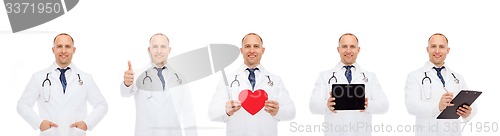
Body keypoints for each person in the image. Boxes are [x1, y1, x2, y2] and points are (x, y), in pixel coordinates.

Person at [17, 33, 108, 136]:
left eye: (67, 46)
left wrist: (86, 124)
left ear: (74, 50)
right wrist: (39, 123)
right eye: (59, 46)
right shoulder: (38, 77)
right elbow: (22, 105)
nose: (63, 51)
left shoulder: (86, 78)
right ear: (53, 50)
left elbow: (101, 105)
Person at [208, 33, 296, 136]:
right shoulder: (227, 80)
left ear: (262, 50)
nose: (252, 50)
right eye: (247, 46)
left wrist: (277, 111)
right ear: (241, 51)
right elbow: (212, 113)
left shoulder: (275, 80)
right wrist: (226, 111)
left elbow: (291, 112)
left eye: (256, 46)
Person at [309, 33, 389, 136]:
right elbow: (312, 105)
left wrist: (367, 105)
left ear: (358, 50)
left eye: (352, 46)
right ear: (338, 50)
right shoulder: (324, 76)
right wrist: (327, 105)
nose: (348, 51)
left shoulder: (370, 77)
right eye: (344, 46)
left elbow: (384, 105)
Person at [121, 33, 197, 136]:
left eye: (163, 47)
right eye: (155, 47)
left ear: (169, 50)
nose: (159, 51)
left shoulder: (179, 78)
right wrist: (127, 83)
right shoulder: (138, 75)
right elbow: (125, 92)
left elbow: (188, 114)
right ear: (149, 50)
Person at [404, 33, 477, 136]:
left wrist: (469, 112)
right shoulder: (414, 76)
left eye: (441, 47)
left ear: (447, 50)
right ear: (427, 49)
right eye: (433, 46)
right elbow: (411, 106)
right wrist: (438, 107)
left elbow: (472, 105)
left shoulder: (457, 78)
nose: (437, 51)